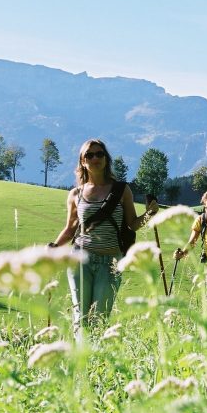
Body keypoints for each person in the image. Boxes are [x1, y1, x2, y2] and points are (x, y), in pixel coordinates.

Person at [49, 138, 158, 338]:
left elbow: (132, 224)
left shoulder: (121, 190)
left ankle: (94, 361)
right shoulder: (75, 194)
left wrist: (150, 214)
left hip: (111, 262)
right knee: (80, 317)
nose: (95, 158)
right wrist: (54, 247)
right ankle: (82, 364)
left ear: (106, 159)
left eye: (100, 154)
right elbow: (71, 228)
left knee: (99, 319)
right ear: (82, 162)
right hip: (80, 260)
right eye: (89, 155)